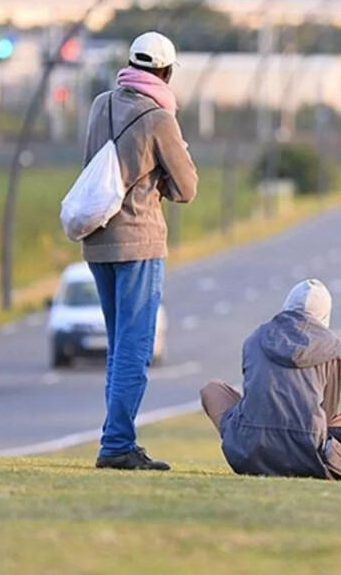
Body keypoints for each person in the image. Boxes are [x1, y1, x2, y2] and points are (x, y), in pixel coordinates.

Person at [84, 31, 198, 471]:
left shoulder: (100, 104)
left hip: (97, 239)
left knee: (118, 347)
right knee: (136, 347)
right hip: (139, 240)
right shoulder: (159, 119)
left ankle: (115, 438)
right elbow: (186, 187)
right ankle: (117, 444)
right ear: (166, 72)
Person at [200, 280, 341, 481]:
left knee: (211, 390)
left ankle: (252, 444)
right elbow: (328, 413)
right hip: (309, 459)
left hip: (249, 454)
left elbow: (253, 394)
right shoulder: (333, 347)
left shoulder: (255, 337)